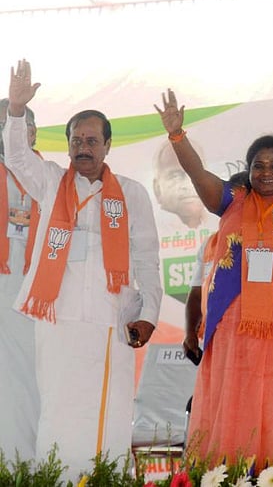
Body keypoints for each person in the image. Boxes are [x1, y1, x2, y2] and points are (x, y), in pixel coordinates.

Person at [156, 89, 273, 467]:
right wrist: (177, 137)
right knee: (237, 394)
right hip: (236, 320)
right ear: (248, 171)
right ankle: (228, 471)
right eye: (258, 165)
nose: (266, 172)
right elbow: (197, 174)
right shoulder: (232, 201)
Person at [4, 60, 162, 481]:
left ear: (108, 145)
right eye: (76, 140)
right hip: (58, 321)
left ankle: (106, 478)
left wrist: (148, 314)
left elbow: (147, 258)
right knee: (58, 410)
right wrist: (16, 110)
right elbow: (17, 156)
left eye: (92, 140)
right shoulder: (51, 183)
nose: (83, 148)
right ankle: (56, 479)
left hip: (111, 322)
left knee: (109, 412)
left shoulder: (132, 194)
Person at [0, 97, 40, 461]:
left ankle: (38, 461)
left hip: (43, 290)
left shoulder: (52, 177)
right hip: (3, 286)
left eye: (14, 125)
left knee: (38, 379)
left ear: (33, 132)